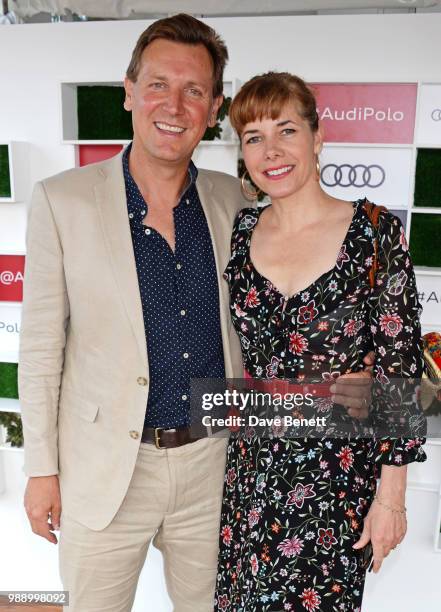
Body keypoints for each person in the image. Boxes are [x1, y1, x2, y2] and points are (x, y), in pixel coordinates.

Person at [19, 16, 374, 612]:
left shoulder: (236, 201)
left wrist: (353, 384)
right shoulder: (63, 201)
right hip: (107, 471)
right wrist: (41, 469)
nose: (174, 106)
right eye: (158, 85)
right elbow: (39, 348)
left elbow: (292, 314)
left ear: (213, 109)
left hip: (216, 467)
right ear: (128, 91)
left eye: (194, 91)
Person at [215, 72, 426, 612]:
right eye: (254, 137)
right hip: (251, 477)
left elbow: (398, 371)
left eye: (286, 130)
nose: (272, 151)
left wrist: (391, 498)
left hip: (335, 484)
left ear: (317, 135)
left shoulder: (374, 233)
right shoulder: (242, 233)